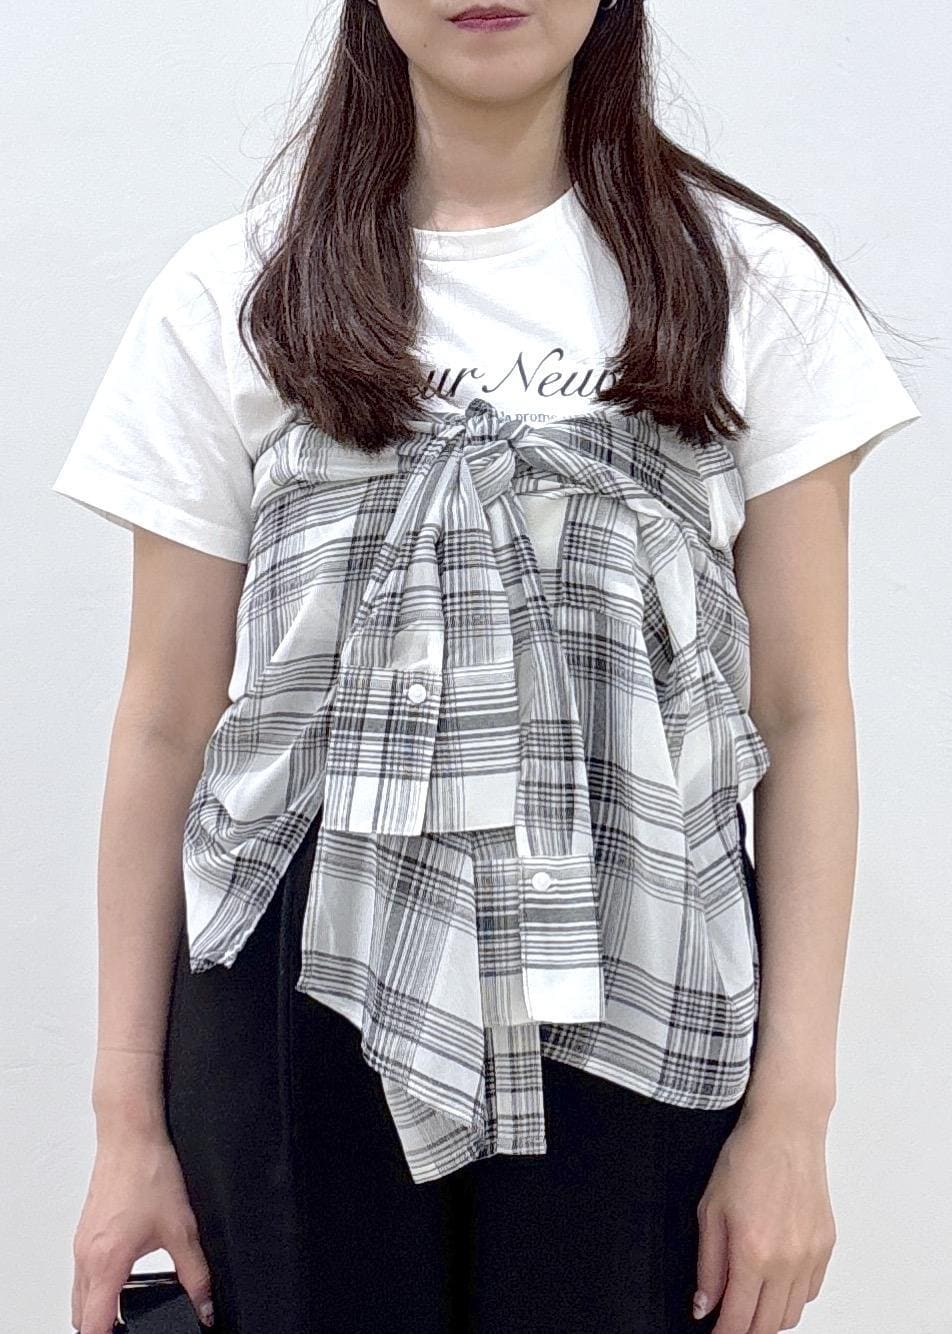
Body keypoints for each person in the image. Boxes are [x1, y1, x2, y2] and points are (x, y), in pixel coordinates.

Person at [55, 2, 922, 1332]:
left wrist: (794, 1116)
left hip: (644, 981)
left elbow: (802, 716)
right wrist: (126, 1124)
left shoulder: (749, 284)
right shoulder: (236, 294)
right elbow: (164, 724)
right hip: (301, 984)